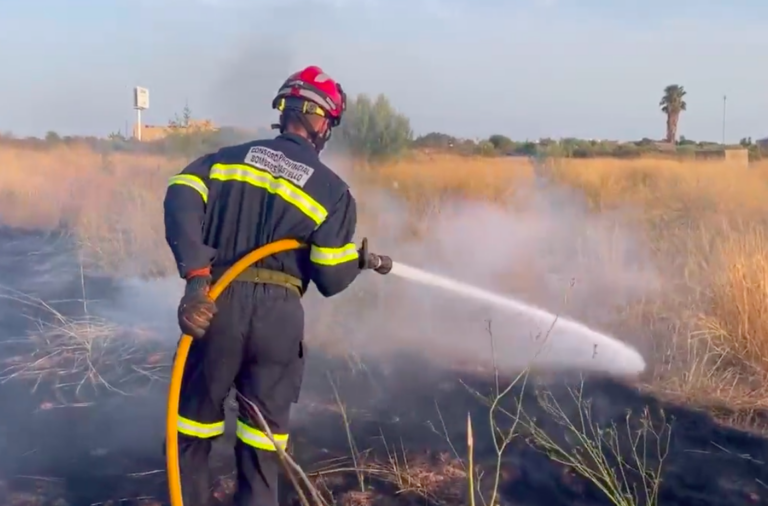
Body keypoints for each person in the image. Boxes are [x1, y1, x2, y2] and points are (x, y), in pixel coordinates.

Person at [163, 65, 392, 506]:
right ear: (321, 121)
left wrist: (196, 277)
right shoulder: (333, 190)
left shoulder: (225, 160)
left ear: (284, 110)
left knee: (190, 433)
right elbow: (328, 276)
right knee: (263, 445)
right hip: (278, 320)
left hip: (215, 303)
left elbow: (180, 194)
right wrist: (357, 262)